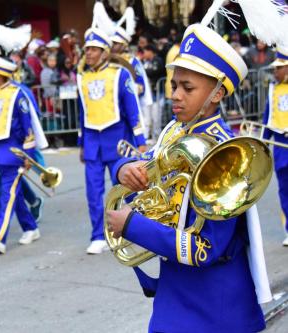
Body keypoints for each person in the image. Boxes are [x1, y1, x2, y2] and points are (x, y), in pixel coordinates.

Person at [106, 20, 272, 332]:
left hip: (215, 302)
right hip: (175, 291)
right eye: (173, 85)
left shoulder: (228, 155)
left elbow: (205, 249)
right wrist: (123, 169)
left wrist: (132, 225)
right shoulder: (173, 131)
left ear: (218, 93)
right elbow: (151, 169)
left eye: (188, 88)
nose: (176, 95)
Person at [78, 25, 146, 254]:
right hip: (91, 143)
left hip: (118, 140)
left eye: (94, 49)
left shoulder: (120, 74)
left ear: (105, 52)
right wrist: (81, 144)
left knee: (129, 188)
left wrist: (141, 141)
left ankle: (140, 226)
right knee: (93, 191)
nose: (88, 53)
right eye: (87, 49)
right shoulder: (82, 79)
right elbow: (82, 113)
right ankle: (98, 235)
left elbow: (132, 110)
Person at [0, 24, 40, 254]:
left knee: (8, 193)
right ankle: (31, 227)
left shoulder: (17, 93)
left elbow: (28, 128)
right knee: (15, 192)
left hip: (15, 154)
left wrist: (29, 156)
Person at [262, 46, 288, 246]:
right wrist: (263, 142)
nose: (275, 72)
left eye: (278, 68)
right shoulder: (272, 88)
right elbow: (267, 118)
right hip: (280, 143)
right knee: (284, 189)